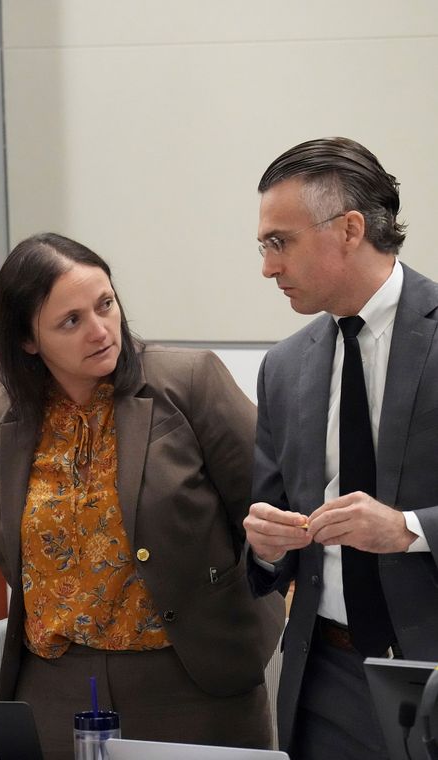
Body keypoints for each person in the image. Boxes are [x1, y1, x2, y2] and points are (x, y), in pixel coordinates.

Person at [0, 233, 284, 759]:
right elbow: (10, 554)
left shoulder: (188, 382)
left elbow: (265, 511)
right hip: (54, 688)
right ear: (28, 340)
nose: (99, 331)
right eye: (70, 321)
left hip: (192, 679)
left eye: (105, 305)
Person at [244, 137, 438, 759]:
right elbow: (267, 530)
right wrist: (266, 545)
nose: (268, 267)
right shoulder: (283, 367)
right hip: (326, 676)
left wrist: (408, 529)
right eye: (264, 247)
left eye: (281, 242)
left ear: (350, 228)